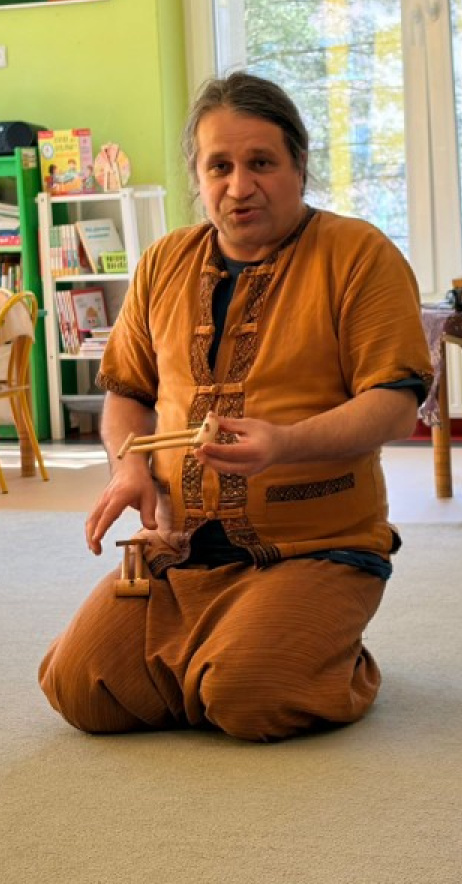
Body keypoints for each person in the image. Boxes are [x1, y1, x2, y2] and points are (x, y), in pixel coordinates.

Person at [38, 71, 434, 742]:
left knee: (250, 696)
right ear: (198, 176)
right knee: (79, 687)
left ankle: (305, 652)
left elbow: (395, 405)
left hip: (317, 546)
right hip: (177, 548)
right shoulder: (164, 262)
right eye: (219, 166)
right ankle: (228, 649)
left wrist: (285, 443)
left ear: (299, 165)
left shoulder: (359, 254)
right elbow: (127, 392)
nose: (240, 186)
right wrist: (129, 468)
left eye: (261, 163)